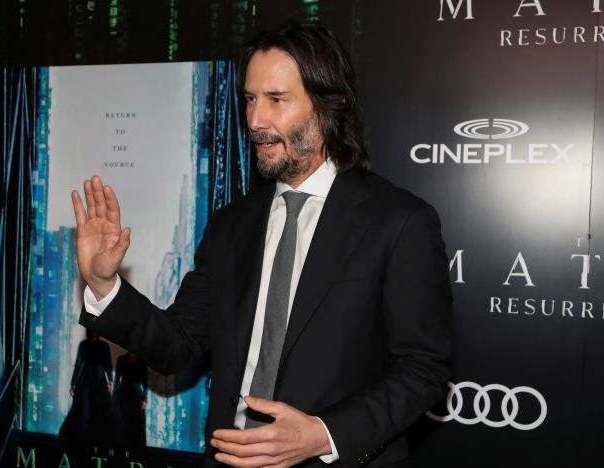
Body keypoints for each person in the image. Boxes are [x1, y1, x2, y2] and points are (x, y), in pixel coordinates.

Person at [70, 21, 452, 468]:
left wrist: (322, 435)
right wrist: (102, 283)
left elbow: (423, 370)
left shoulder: (399, 222)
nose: (255, 120)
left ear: (332, 105)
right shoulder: (232, 226)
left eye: (276, 99)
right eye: (251, 99)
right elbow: (176, 345)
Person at [59, 331, 114, 447]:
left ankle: (95, 439)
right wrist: (73, 383)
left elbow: (108, 364)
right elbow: (78, 364)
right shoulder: (83, 345)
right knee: (83, 410)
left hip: (99, 381)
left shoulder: (103, 346)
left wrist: (110, 380)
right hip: (84, 380)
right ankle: (81, 439)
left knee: (98, 409)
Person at [112, 351, 148, 448]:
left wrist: (145, 399)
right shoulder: (121, 359)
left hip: (136, 396)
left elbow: (145, 382)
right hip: (122, 394)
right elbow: (116, 379)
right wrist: (114, 396)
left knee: (136, 425)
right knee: (121, 423)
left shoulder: (142, 361)